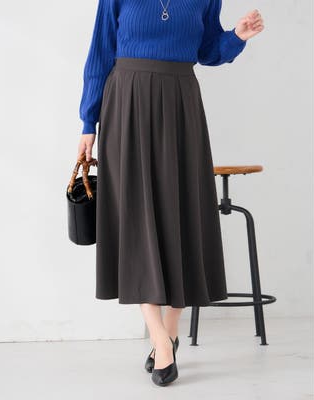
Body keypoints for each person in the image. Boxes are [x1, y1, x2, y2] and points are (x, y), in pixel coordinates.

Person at [76, 0, 264, 386]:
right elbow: (100, 52)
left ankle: (171, 328)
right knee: (135, 220)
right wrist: (88, 122)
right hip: (126, 104)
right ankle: (160, 338)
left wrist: (237, 37)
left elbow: (207, 49)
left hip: (181, 104)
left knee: (183, 213)